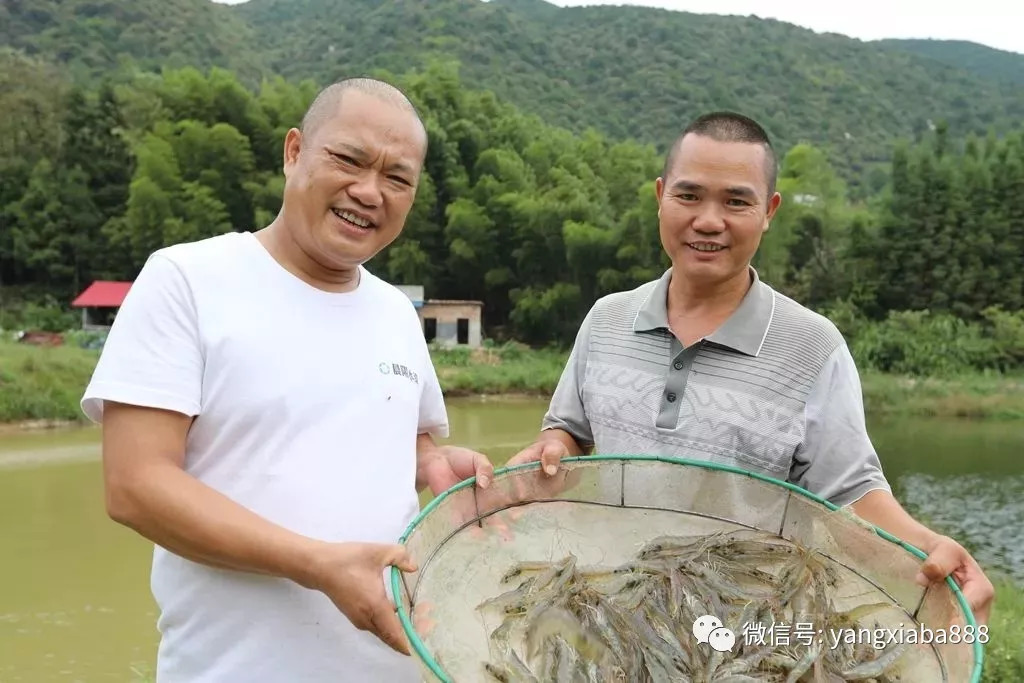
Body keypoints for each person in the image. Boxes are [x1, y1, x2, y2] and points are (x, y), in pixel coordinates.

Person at [80, 78, 495, 682]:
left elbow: (403, 441)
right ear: (294, 152)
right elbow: (136, 484)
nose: (369, 191)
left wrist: (432, 466)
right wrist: (317, 564)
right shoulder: (187, 280)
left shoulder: (394, 313)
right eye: (348, 159)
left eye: (397, 178)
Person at [508, 111, 995, 625]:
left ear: (769, 211)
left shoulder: (813, 346)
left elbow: (852, 495)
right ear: (660, 196)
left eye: (736, 201)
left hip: (746, 637)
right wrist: (552, 449)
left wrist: (929, 545)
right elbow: (569, 432)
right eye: (689, 195)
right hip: (610, 613)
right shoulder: (605, 320)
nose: (709, 220)